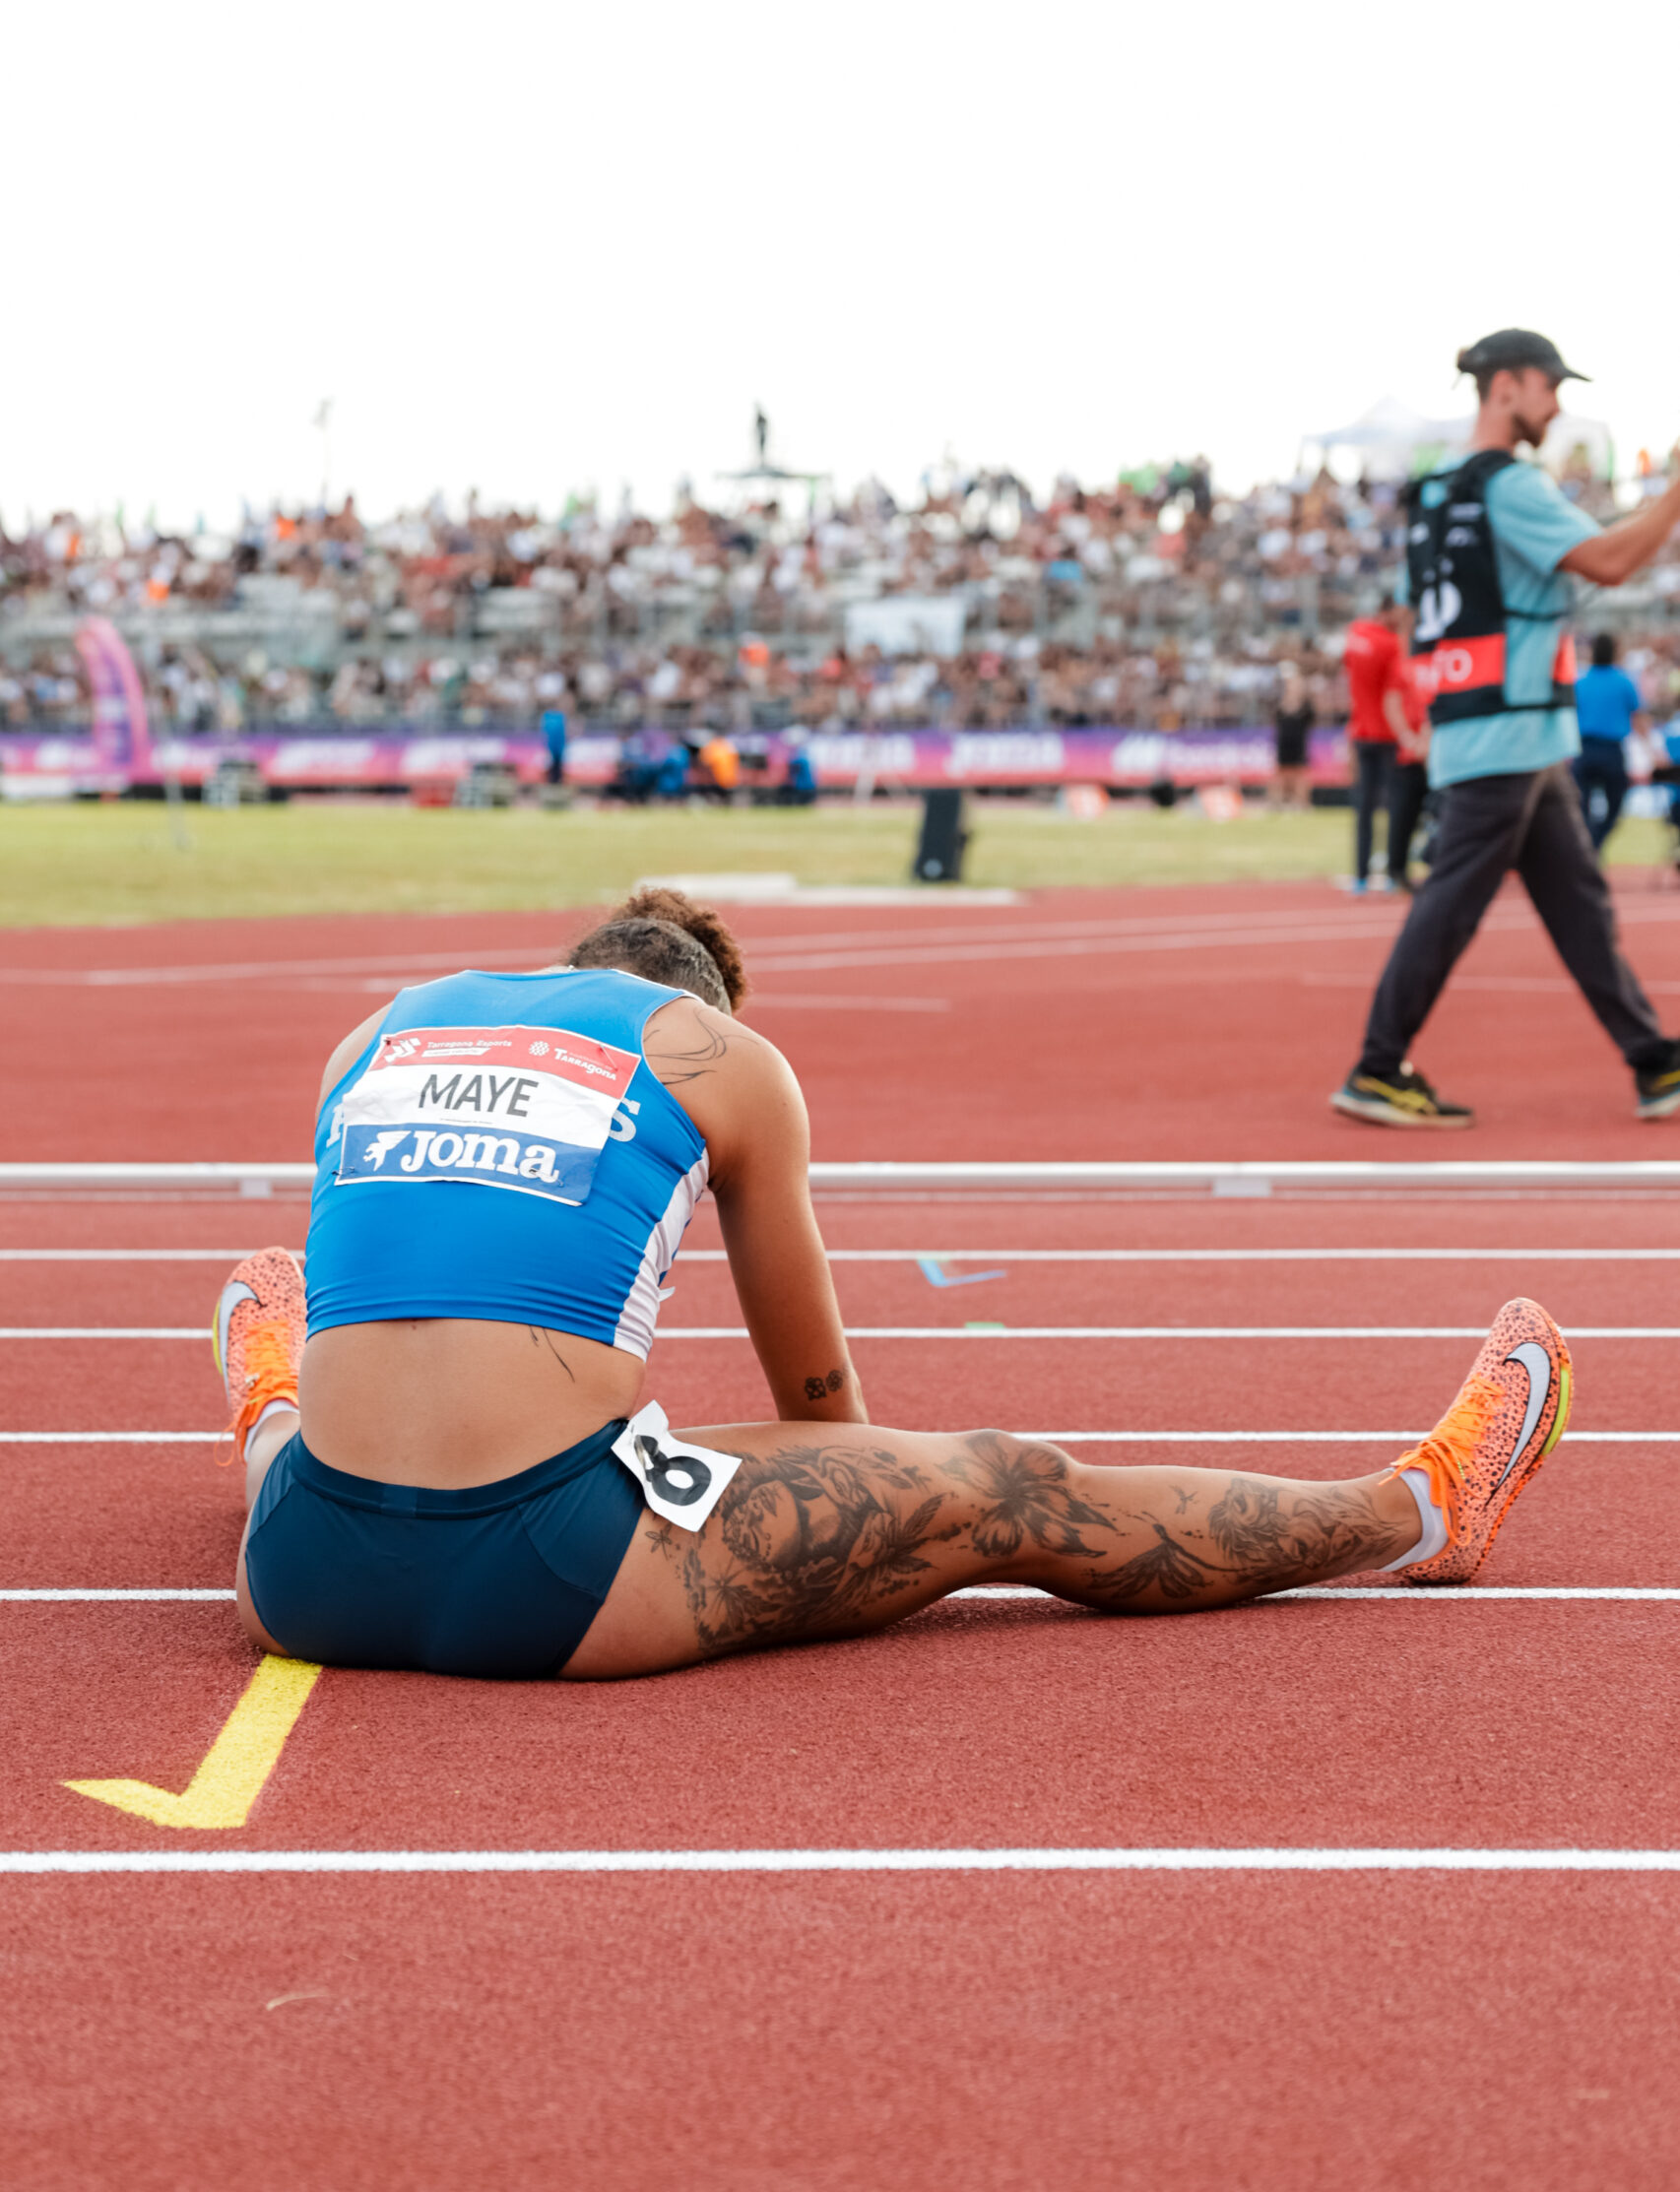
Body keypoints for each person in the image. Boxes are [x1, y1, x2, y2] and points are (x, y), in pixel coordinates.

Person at [210, 887, 1572, 1681]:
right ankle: (1414, 1510)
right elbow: (816, 1402)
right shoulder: (717, 1058)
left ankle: (263, 1397)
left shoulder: (376, 1034)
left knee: (323, 1409)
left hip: (302, 1571)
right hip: (540, 1580)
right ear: (711, 1003)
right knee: (1007, 1487)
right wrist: (891, 1489)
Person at [1332, 330, 1680, 1130]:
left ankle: (1654, 1060)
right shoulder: (1510, 484)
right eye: (1548, 386)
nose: (1556, 404)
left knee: (1578, 902)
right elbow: (1610, 562)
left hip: (1504, 730)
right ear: (1505, 386)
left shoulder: (1435, 491)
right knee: (1450, 902)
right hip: (1507, 732)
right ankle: (1378, 1066)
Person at [1341, 599, 1403, 891]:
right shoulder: (1393, 644)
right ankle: (1391, 873)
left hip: (1361, 732)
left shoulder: (1356, 632)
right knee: (1392, 807)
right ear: (1389, 611)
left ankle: (1361, 876)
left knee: (1363, 807)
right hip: (1388, 736)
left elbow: (1348, 670)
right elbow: (1395, 692)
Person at [1572, 632, 1644, 852]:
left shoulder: (1581, 681)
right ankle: (1596, 842)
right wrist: (1651, 750)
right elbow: (1639, 719)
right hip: (1610, 751)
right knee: (1615, 804)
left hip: (1584, 751)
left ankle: (1591, 844)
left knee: (1582, 807)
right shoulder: (1624, 681)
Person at [1384, 637, 1432, 892]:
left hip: (1437, 757)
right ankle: (1397, 872)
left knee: (1445, 815)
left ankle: (1438, 868)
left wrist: (1429, 741)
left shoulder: (1442, 662)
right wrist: (1409, 739)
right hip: (1408, 755)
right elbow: (1391, 703)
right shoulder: (1402, 666)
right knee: (1402, 816)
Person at [1268, 664, 1314, 809]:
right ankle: (1277, 802)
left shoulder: (1305, 706)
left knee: (1299, 774)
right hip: (1283, 742)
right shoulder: (1280, 703)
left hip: (1299, 742)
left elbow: (1310, 718)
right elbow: (1276, 717)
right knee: (1281, 773)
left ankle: (1301, 802)